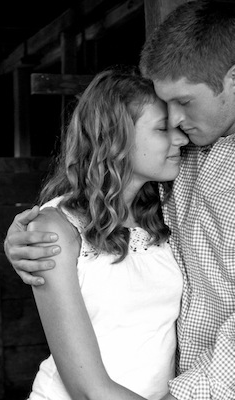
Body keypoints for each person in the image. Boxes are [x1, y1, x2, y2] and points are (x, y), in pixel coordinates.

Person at [4, 1, 235, 399]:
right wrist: (27, 240)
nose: (178, 125)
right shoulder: (182, 154)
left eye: (184, 102)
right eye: (166, 112)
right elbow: (98, 209)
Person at [22, 65, 188, 400]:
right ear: (115, 140)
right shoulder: (56, 230)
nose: (181, 139)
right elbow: (88, 390)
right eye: (162, 129)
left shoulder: (164, 214)